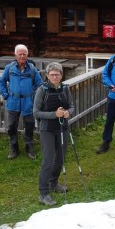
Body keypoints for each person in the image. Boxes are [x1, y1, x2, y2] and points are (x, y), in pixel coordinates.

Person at [33, 62, 74, 206]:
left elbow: (72, 106)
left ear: (61, 75)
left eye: (57, 74)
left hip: (62, 128)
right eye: (52, 74)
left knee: (61, 157)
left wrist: (68, 112)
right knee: (48, 160)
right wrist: (54, 114)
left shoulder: (65, 89)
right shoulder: (42, 90)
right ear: (47, 75)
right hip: (47, 129)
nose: (55, 76)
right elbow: (36, 112)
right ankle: (43, 193)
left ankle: (53, 183)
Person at [0, 44, 43, 160]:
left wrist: (34, 95)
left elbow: (40, 84)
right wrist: (6, 95)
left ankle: (29, 148)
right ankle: (14, 148)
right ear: (15, 55)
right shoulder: (9, 68)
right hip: (13, 102)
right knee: (11, 127)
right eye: (20, 54)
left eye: (24, 54)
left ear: (27, 55)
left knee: (29, 126)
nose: (22, 56)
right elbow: (1, 83)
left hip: (28, 103)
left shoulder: (32, 69)